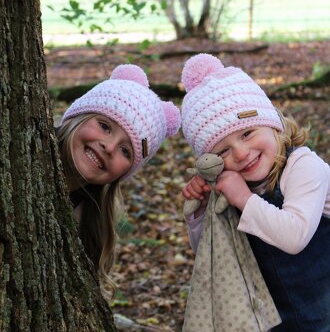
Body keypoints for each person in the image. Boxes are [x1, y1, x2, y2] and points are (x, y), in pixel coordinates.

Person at [180, 53, 330, 331]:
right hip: (267, 312)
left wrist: (243, 198)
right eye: (222, 150)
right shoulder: (231, 184)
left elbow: (295, 236)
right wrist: (201, 213)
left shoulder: (304, 166)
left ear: (272, 123)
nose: (240, 153)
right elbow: (211, 250)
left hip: (321, 309)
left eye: (247, 133)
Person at [56, 64, 181, 302]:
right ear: (79, 116)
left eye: (126, 151)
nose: (109, 147)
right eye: (104, 126)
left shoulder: (90, 221)